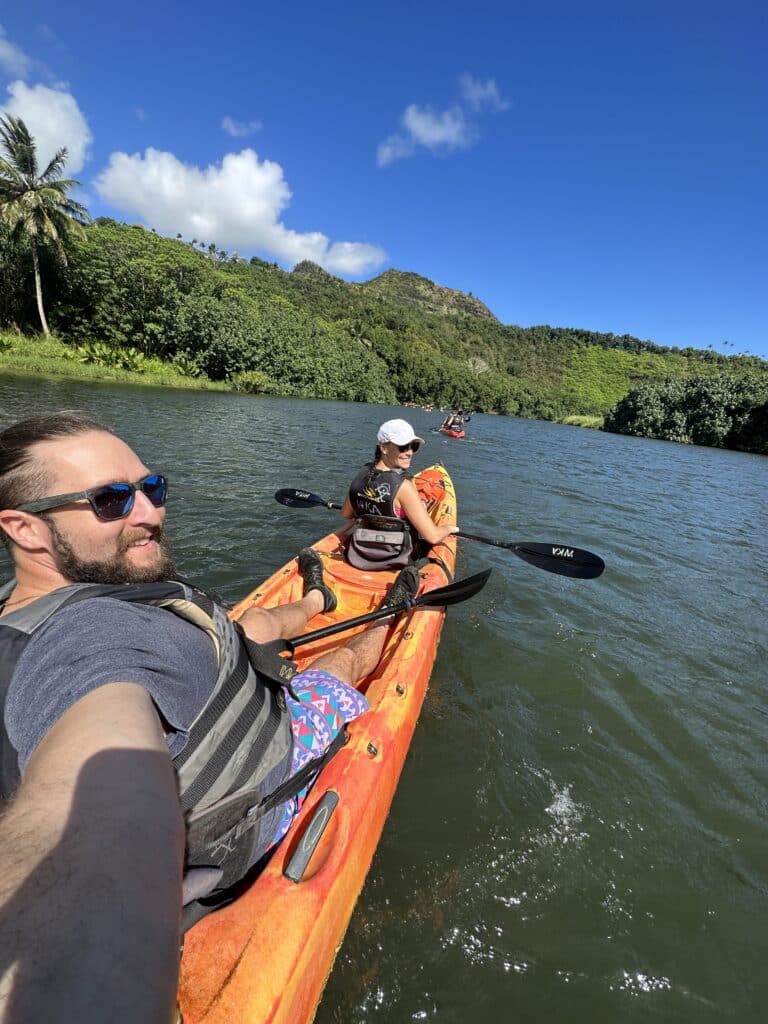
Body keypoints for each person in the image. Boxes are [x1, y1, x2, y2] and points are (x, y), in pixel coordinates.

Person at [0, 410, 419, 1023]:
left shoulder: (82, 595)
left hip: (223, 655)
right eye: (111, 499)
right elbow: (94, 786)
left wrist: (299, 609)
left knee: (237, 624)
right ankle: (389, 619)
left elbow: (225, 630)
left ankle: (314, 597)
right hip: (256, 782)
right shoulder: (90, 645)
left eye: (153, 487)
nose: (148, 512)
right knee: (342, 665)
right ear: (25, 529)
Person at [341, 418, 458, 571]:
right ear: (383, 447)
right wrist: (450, 529)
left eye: (413, 446)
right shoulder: (404, 487)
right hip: (394, 559)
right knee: (425, 558)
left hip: (359, 554)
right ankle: (406, 582)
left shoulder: (362, 474)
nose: (409, 452)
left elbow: (346, 514)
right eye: (403, 447)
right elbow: (433, 536)